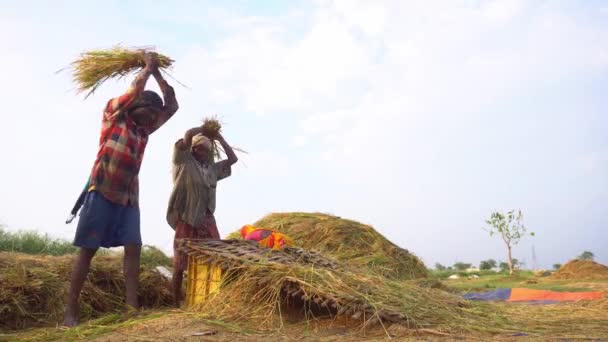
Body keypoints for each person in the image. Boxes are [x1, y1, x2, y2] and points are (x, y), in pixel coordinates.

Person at [64, 52, 179, 327]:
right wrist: (147, 69)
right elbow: (134, 90)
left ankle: (131, 307)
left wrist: (159, 74)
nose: (152, 116)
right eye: (148, 110)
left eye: (154, 113)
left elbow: (172, 106)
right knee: (87, 250)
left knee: (134, 248)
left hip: (128, 197)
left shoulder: (143, 130)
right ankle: (70, 310)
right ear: (135, 105)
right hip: (102, 189)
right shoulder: (114, 116)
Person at [166, 125, 238, 307]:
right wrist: (204, 129)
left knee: (216, 255)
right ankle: (176, 303)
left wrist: (219, 138)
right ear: (193, 149)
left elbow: (233, 159)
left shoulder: (212, 169)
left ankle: (210, 299)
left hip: (207, 218)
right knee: (180, 263)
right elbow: (188, 135)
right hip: (187, 217)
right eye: (200, 149)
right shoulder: (184, 162)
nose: (204, 153)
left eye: (207, 150)